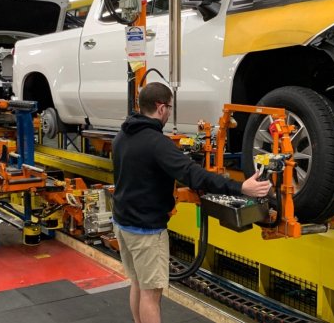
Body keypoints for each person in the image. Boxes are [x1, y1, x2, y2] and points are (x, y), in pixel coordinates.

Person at [112, 82, 272, 323]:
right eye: (169, 108)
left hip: (123, 223)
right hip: (146, 231)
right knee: (151, 294)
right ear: (160, 107)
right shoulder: (157, 143)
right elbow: (194, 175)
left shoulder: (122, 135)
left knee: (138, 283)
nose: (168, 113)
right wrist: (241, 187)